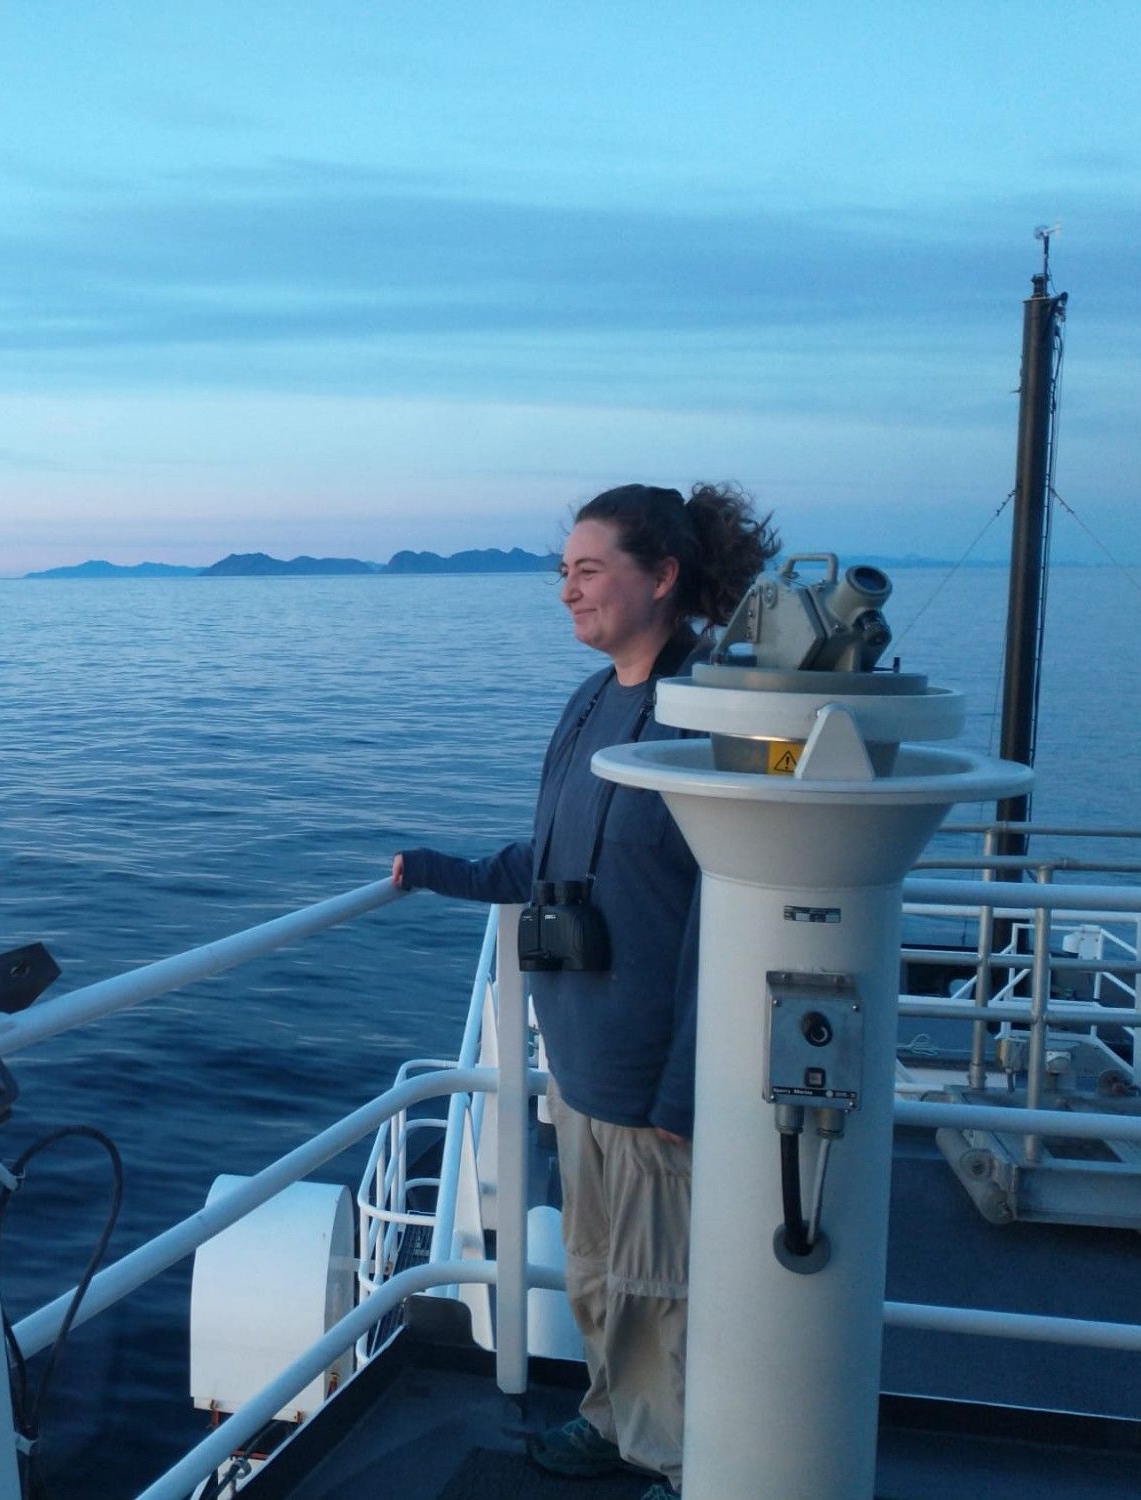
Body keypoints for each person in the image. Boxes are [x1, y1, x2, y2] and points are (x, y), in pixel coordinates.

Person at [392, 483, 777, 1499]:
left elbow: (726, 917)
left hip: (656, 1073)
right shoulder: (590, 702)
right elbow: (556, 861)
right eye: (560, 572)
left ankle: (692, 1465)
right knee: (604, 1277)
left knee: (666, 1287)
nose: (566, 590)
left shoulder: (711, 711)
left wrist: (684, 1090)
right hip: (580, 1058)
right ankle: (614, 1423)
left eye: (588, 569)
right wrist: (442, 870)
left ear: (661, 578)